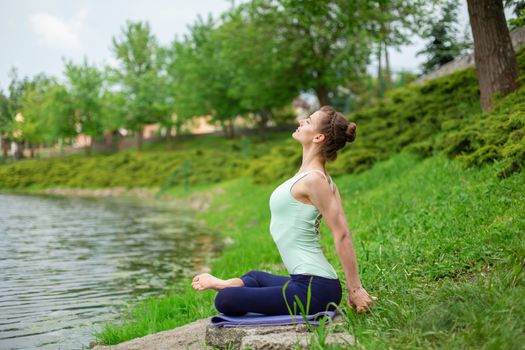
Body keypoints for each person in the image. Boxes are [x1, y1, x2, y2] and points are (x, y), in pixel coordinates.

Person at [192, 105, 375, 315]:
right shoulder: (312, 177)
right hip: (310, 282)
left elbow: (342, 233)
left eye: (308, 121)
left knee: (226, 300)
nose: (301, 122)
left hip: (315, 290)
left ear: (318, 138)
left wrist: (356, 289)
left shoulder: (315, 180)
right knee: (254, 277)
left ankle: (224, 287)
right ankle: (226, 283)